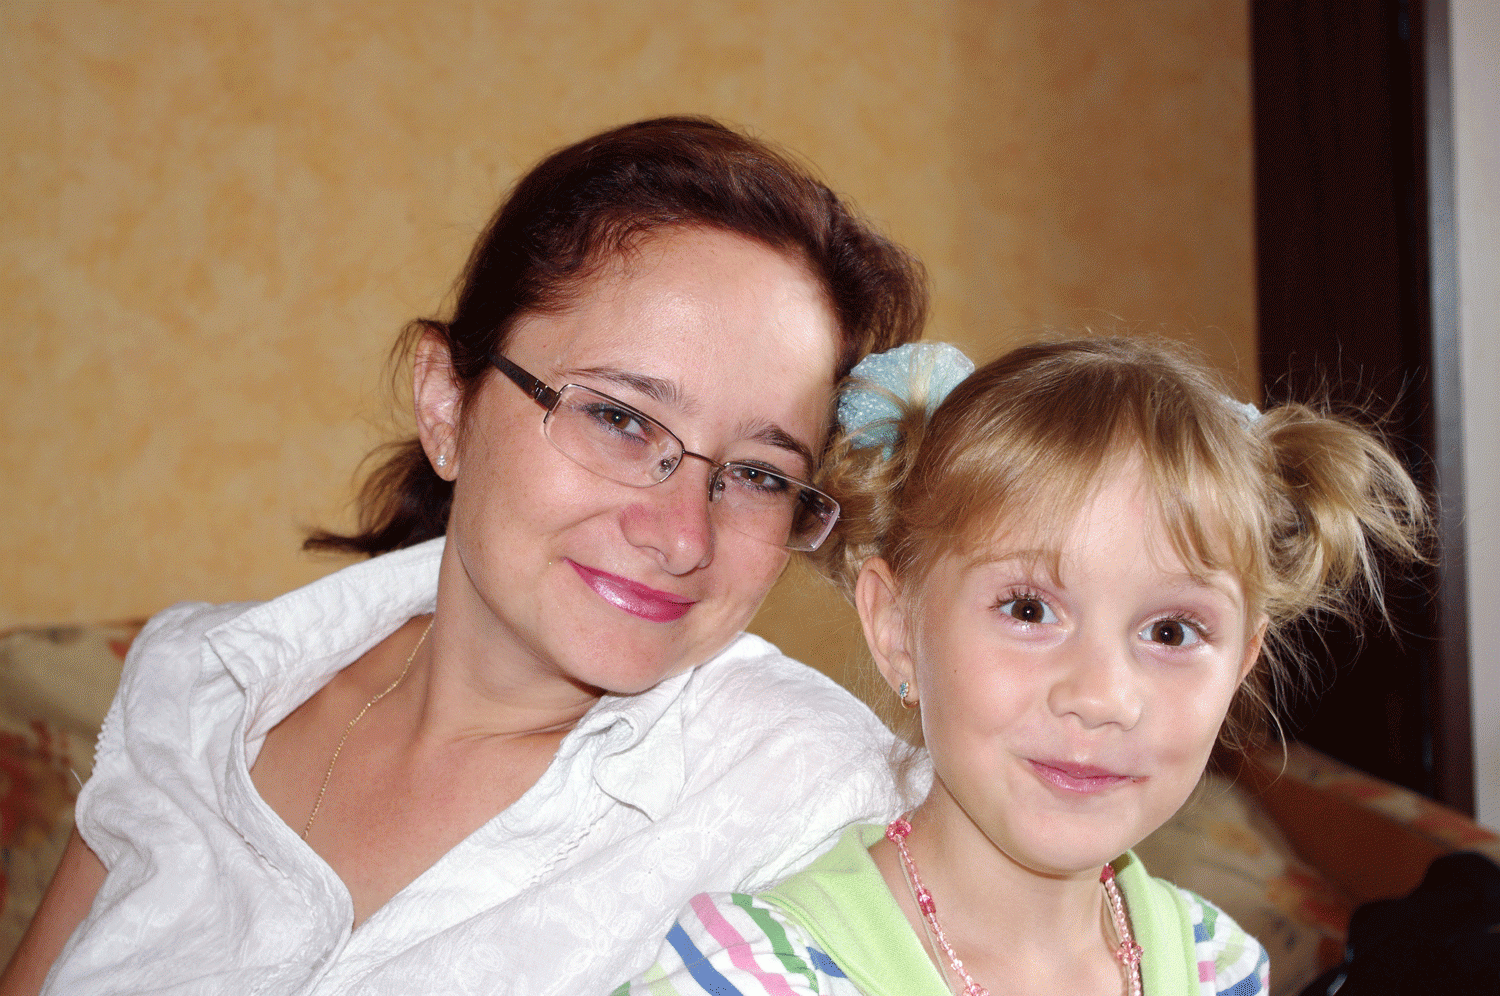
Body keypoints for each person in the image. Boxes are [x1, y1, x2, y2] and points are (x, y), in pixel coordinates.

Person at [0, 116, 930, 996]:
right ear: (447, 404)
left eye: (760, 475)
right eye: (619, 418)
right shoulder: (198, 685)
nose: (683, 536)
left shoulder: (818, 796)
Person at [624, 336, 1430, 996]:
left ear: (1242, 665)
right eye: (1029, 610)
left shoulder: (1217, 965)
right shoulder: (751, 975)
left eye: (1172, 631)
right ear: (897, 627)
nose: (1102, 696)